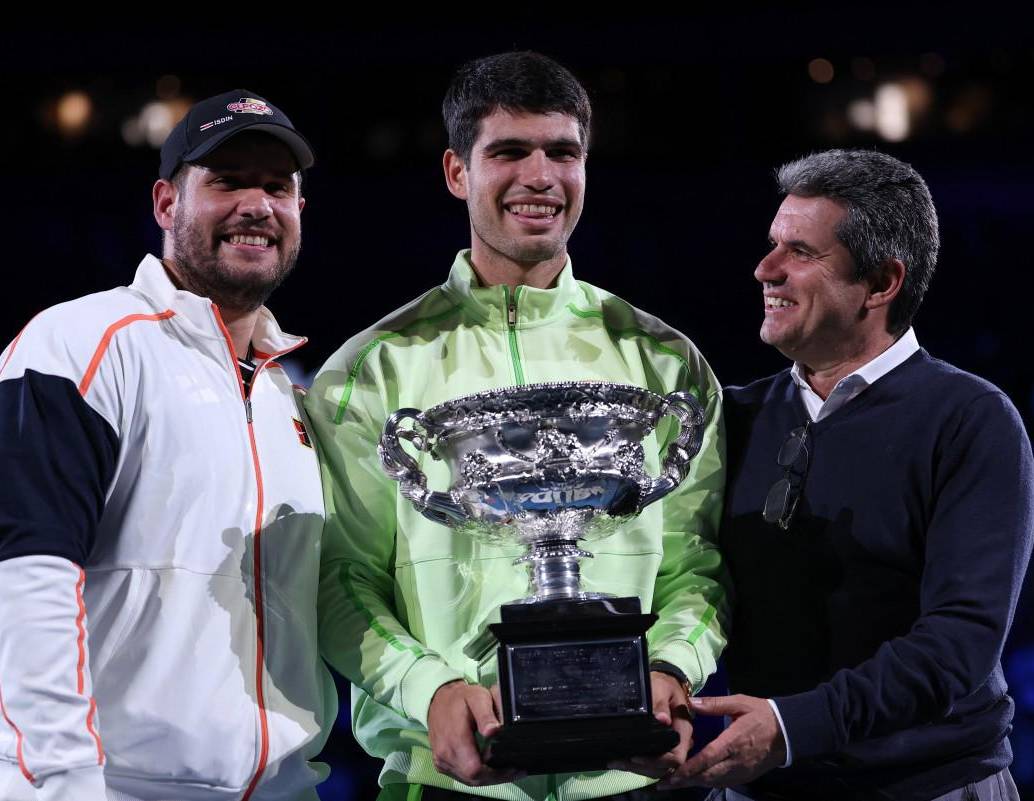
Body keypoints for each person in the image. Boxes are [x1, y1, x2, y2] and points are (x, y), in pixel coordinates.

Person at [307, 51, 728, 801]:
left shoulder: (666, 363)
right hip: (446, 783)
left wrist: (669, 668)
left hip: (634, 780)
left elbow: (697, 566)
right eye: (508, 151)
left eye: (563, 153)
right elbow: (342, 579)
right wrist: (429, 690)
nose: (540, 177)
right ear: (456, 172)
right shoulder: (369, 371)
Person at [0, 90, 335, 801]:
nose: (256, 204)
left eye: (278, 186)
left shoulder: (291, 399)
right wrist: (64, 783)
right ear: (164, 202)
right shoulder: (81, 344)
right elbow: (26, 577)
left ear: (300, 211)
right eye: (227, 180)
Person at [669, 150, 1034, 801]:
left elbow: (959, 643)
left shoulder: (971, 420)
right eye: (771, 244)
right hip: (761, 785)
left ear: (881, 282)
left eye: (800, 251)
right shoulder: (734, 417)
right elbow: (682, 584)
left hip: (928, 785)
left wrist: (791, 726)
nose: (765, 269)